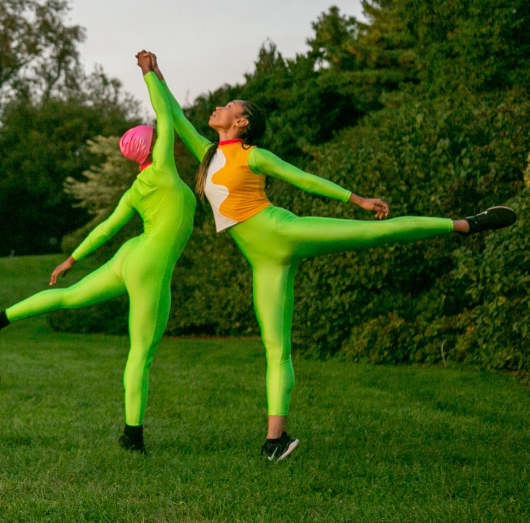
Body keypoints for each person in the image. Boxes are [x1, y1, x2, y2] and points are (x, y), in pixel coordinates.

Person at [157, 49, 517, 461]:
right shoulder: (208, 152)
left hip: (283, 230)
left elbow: (305, 179)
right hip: (264, 261)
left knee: (375, 234)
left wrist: (358, 199)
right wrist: (155, 74)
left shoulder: (253, 155)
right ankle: (277, 440)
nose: (218, 106)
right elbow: (174, 116)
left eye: (229, 106)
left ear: (242, 122)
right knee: (275, 347)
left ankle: (464, 224)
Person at [0, 51, 196, 453]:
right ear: (152, 147)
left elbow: (107, 228)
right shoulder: (162, 171)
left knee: (70, 297)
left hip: (131, 254)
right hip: (150, 264)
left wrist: (71, 259)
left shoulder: (137, 189)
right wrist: (147, 75)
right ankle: (132, 435)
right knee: (140, 353)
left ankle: (0, 317)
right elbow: (164, 113)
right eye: (158, 137)